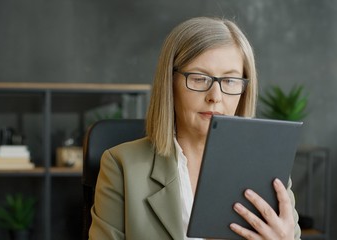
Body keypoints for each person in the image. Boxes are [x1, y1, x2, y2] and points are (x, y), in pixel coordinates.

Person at [89, 16, 301, 240]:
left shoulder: (268, 171)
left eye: (230, 81)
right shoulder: (122, 166)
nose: (215, 97)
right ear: (170, 83)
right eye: (200, 78)